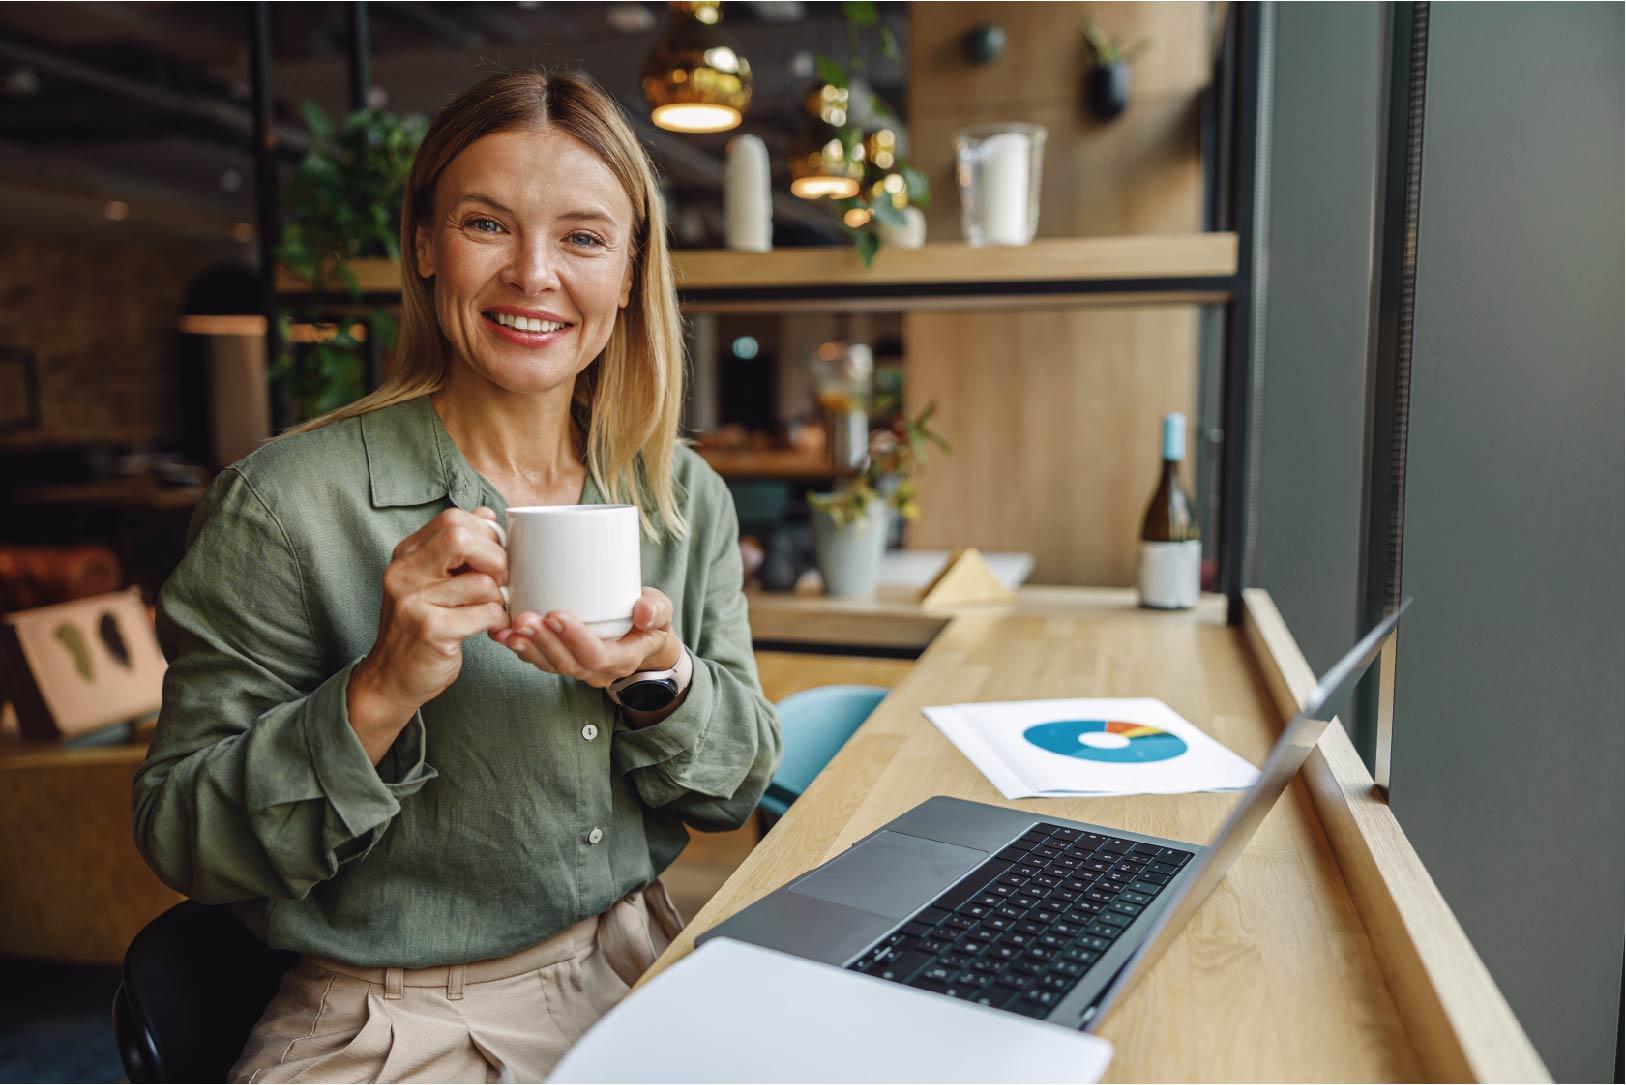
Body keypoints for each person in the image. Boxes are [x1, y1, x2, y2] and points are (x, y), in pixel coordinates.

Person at [132, 68, 782, 1083]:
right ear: (428, 245)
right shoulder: (286, 502)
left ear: (628, 267)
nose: (533, 273)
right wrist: (378, 689)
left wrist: (657, 678)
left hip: (641, 962)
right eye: (488, 224)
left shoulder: (679, 492)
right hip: (398, 1018)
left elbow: (735, 783)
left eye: (581, 236)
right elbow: (182, 837)